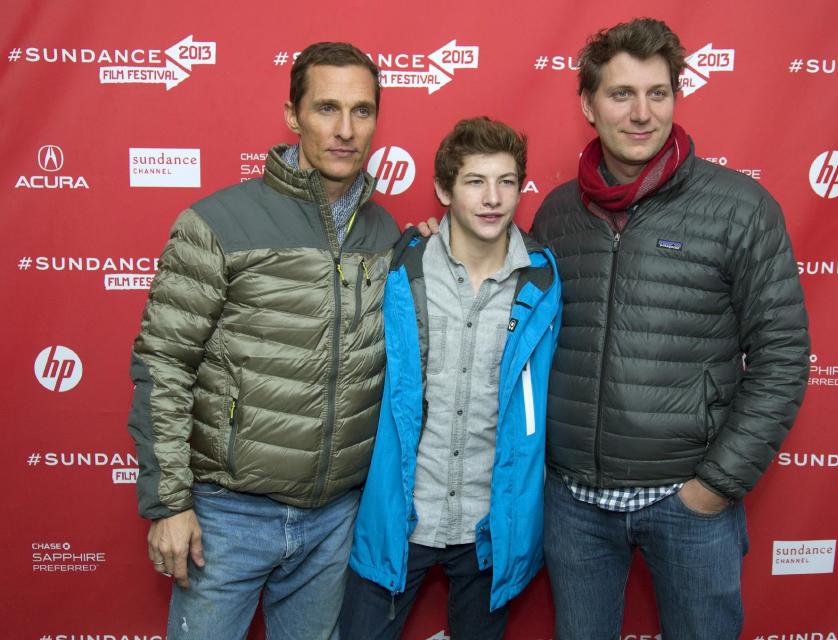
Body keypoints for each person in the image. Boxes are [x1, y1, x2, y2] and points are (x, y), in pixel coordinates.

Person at [529, 18, 810, 640]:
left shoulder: (740, 207)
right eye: (621, 94)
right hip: (574, 502)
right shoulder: (555, 213)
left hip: (688, 502)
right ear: (588, 104)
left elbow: (783, 355)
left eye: (658, 93)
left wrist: (715, 486)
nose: (641, 113)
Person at [126, 41, 399, 640]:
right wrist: (170, 504)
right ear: (292, 115)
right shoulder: (219, 221)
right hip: (227, 515)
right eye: (327, 108)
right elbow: (164, 365)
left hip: (334, 519)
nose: (346, 129)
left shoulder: (386, 232)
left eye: (362, 111)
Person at [342, 117, 562, 640]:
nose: (493, 198)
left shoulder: (545, 278)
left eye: (506, 182)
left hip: (491, 524)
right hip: (403, 512)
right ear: (444, 189)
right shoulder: (401, 264)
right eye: (474, 182)